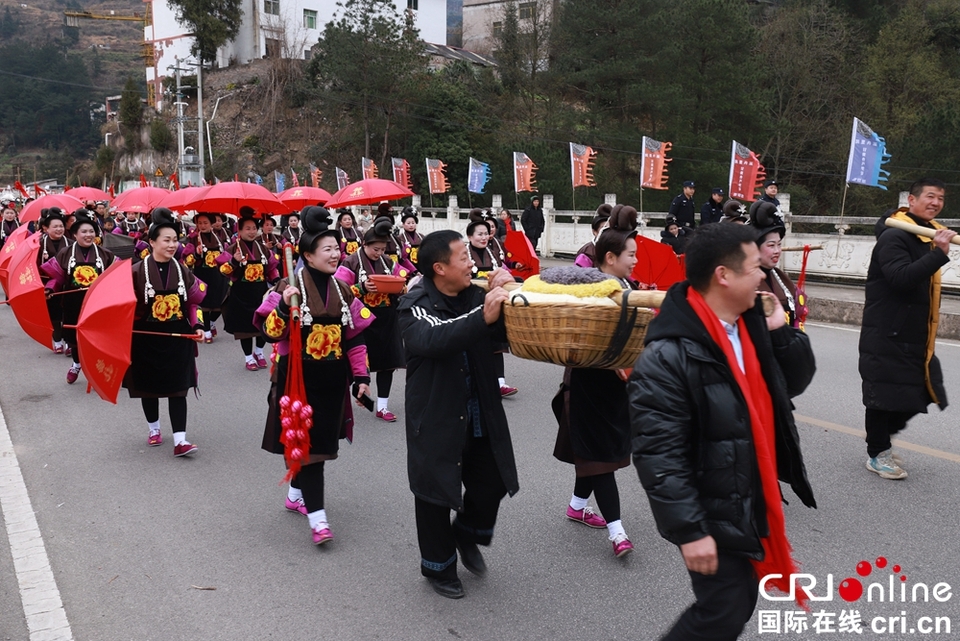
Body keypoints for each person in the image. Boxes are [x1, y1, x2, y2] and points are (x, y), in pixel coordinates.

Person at [628, 222, 817, 641]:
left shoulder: (749, 323)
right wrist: (690, 530)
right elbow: (658, 453)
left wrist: (781, 331)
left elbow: (797, 382)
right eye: (755, 267)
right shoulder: (668, 354)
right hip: (711, 500)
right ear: (723, 275)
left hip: (746, 491)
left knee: (739, 599)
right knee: (724, 609)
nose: (764, 275)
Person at [397, 230, 519, 600]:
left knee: (494, 480)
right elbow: (435, 339)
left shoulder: (475, 295)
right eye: (463, 257)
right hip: (436, 413)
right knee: (435, 494)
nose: (471, 263)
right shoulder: (414, 304)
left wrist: (510, 288)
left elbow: (507, 325)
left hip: (479, 407)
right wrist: (483, 315)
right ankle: (439, 567)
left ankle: (467, 533)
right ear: (439, 268)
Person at [255, 206, 373, 545]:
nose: (335, 254)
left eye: (337, 248)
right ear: (307, 254)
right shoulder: (287, 285)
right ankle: (319, 521)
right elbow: (269, 333)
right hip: (298, 380)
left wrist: (360, 376)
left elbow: (355, 337)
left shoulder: (344, 290)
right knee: (311, 453)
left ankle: (296, 495)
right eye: (327, 249)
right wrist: (281, 306)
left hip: (332, 381)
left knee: (319, 446)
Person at [553, 205, 641, 558]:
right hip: (589, 383)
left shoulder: (624, 284)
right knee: (599, 458)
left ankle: (577, 506)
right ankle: (617, 533)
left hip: (616, 386)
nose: (635, 260)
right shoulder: (590, 290)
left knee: (592, 453)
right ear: (610, 256)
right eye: (631, 254)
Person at [859, 178, 956, 480]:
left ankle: (881, 439)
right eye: (929, 196)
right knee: (884, 396)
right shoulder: (895, 237)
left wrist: (934, 249)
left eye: (940, 198)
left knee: (925, 390)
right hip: (888, 332)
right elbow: (900, 278)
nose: (935, 202)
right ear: (911, 200)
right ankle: (877, 453)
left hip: (916, 334)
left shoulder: (923, 235)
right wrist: (938, 254)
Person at [123, 208, 206, 455]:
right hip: (145, 338)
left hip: (178, 337)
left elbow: (193, 303)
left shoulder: (183, 270)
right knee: (148, 387)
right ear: (152, 242)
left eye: (174, 240)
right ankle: (154, 428)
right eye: (166, 240)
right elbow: (124, 306)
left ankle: (180, 439)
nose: (172, 245)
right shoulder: (135, 271)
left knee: (178, 388)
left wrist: (198, 325)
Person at [335, 216, 408, 423]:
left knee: (387, 363)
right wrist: (361, 288)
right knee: (358, 363)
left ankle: (382, 406)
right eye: (375, 249)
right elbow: (340, 291)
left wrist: (399, 287)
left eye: (383, 249)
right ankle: (358, 397)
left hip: (386, 318)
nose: (379, 253)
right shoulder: (350, 262)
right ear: (364, 244)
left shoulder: (388, 262)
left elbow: (401, 280)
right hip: (361, 320)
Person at [42, 209, 116, 384]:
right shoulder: (65, 253)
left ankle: (98, 366)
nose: (88, 235)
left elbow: (116, 278)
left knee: (98, 337)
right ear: (75, 234)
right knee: (74, 338)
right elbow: (57, 278)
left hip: (97, 303)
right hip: (72, 303)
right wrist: (50, 289)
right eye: (84, 231)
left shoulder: (105, 254)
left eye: (91, 231)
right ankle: (76, 364)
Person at [216, 208, 280, 371]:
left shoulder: (262, 248)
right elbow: (223, 271)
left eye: (254, 228)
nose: (252, 232)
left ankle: (259, 352)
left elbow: (271, 268)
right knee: (245, 328)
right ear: (239, 230)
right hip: (241, 295)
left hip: (260, 293)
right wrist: (234, 262)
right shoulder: (232, 249)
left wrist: (277, 281)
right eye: (247, 228)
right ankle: (248, 357)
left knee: (262, 325)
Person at [466, 219, 518, 397]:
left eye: (485, 234)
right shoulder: (463, 255)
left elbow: (504, 272)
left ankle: (500, 382)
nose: (483, 237)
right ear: (469, 236)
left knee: (496, 342)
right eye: (479, 234)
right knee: (475, 343)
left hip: (493, 300)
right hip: (471, 302)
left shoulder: (493, 252)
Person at [750, 201, 800, 328]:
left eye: (779, 244)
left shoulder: (780, 277)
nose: (777, 251)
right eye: (771, 245)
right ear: (755, 247)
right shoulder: (747, 282)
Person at [184, 213, 229, 343]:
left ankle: (212, 322)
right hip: (202, 275)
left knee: (220, 304)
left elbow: (225, 255)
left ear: (211, 224)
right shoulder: (193, 239)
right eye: (200, 223)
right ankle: (207, 330)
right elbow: (188, 261)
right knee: (204, 304)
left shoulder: (219, 237)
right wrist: (197, 255)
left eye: (205, 223)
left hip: (218, 276)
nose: (202, 226)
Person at [36, 208, 69, 354]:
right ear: (46, 228)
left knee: (68, 313)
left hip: (67, 285)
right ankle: (57, 339)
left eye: (61, 226)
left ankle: (69, 340)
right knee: (54, 314)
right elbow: (34, 266)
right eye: (55, 227)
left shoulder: (71, 244)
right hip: (47, 285)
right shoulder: (38, 245)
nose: (59, 229)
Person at [574, 204, 612, 268]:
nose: (608, 232)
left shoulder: (615, 249)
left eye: (610, 229)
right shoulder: (586, 253)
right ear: (594, 231)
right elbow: (579, 275)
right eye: (604, 228)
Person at [396, 207, 424, 271]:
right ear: (403, 224)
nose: (411, 225)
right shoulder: (400, 238)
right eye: (408, 223)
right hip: (407, 267)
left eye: (413, 223)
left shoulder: (421, 237)